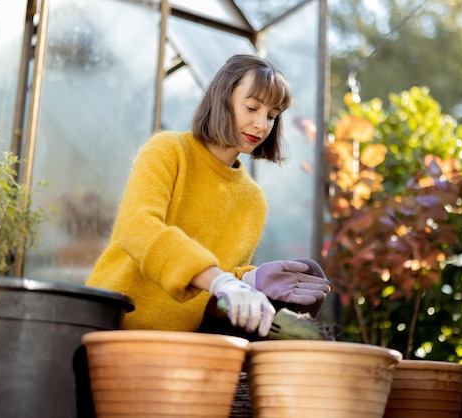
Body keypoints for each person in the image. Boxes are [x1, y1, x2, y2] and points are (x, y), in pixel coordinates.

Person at [86, 53, 331, 339]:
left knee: (309, 272)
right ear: (222, 98)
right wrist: (222, 280)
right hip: (109, 323)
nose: (262, 124)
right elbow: (137, 228)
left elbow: (211, 303)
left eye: (272, 116)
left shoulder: (252, 201)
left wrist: (248, 281)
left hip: (178, 344)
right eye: (252, 107)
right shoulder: (168, 150)